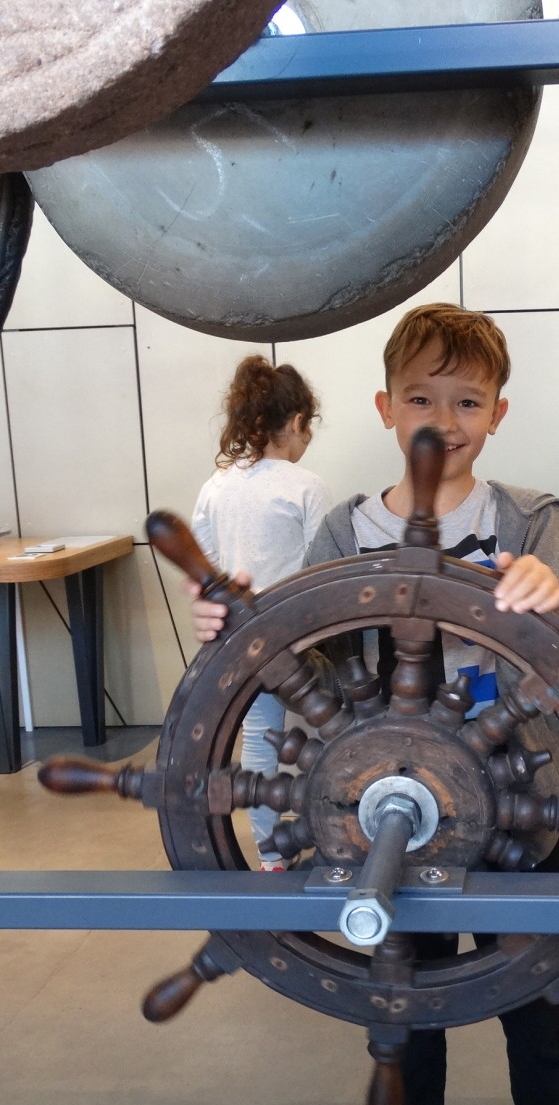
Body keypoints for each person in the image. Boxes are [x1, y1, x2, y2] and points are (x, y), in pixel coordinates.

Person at [192, 303, 559, 1105]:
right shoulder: (345, 533)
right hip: (394, 815)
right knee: (405, 1002)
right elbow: (310, 670)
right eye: (421, 398)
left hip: (519, 813)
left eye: (468, 401)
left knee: (538, 1003)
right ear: (386, 408)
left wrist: (548, 598)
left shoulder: (532, 521)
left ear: (498, 413)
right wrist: (241, 634)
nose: (443, 420)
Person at [191, 354, 332, 868]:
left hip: (241, 638)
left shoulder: (215, 486)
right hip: (303, 638)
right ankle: (340, 837)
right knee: (331, 735)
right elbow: (326, 567)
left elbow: (206, 564)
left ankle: (271, 855)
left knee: (259, 743)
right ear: (296, 423)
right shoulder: (306, 486)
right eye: (308, 429)